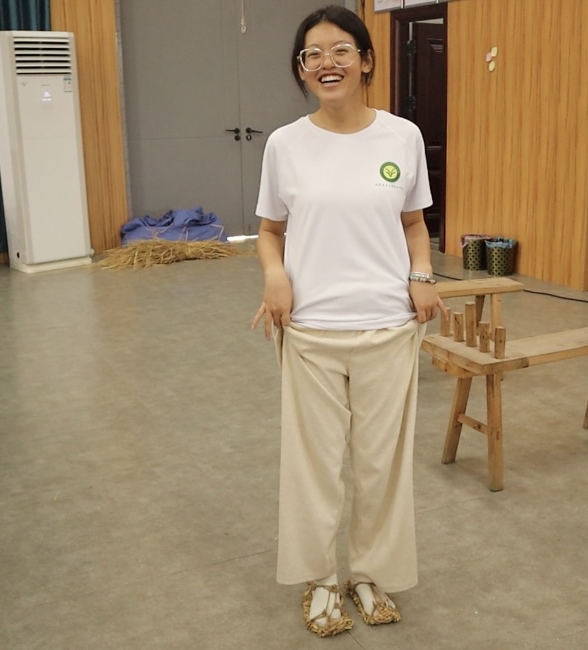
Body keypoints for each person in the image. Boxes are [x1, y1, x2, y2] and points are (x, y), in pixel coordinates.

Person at [250, 4, 443, 639]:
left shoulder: (401, 136)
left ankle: (369, 573)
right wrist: (275, 276)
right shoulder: (285, 144)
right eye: (313, 54)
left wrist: (422, 276)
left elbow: (414, 224)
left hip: (389, 326)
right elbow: (269, 231)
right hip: (310, 331)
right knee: (313, 468)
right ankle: (319, 579)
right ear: (301, 69)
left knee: (382, 465)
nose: (326, 63)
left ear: (365, 61)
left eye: (340, 51)